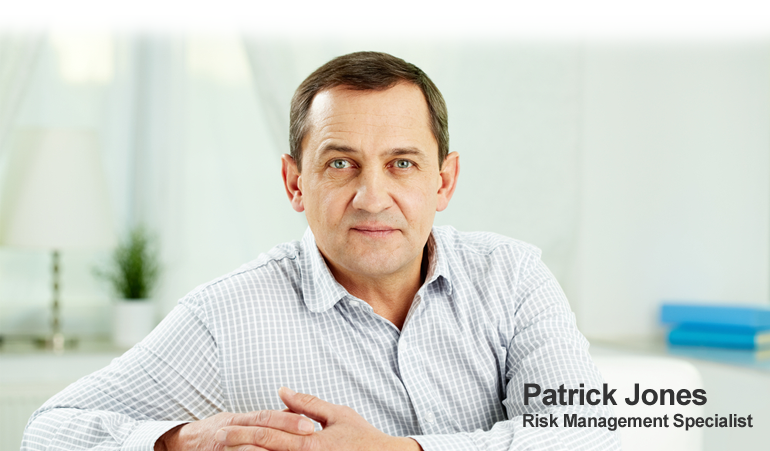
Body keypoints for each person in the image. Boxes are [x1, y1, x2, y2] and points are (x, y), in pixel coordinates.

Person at [22, 51, 620, 451]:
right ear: (295, 183)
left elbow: (588, 433)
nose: (372, 197)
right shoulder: (225, 317)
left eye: (401, 164)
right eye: (340, 164)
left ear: (444, 181)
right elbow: (47, 433)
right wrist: (178, 440)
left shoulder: (512, 278)